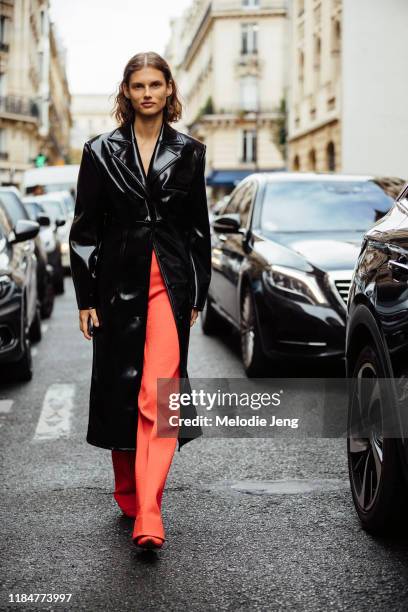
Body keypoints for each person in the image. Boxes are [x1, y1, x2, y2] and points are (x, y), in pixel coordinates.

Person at [69, 52, 211, 551]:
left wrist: (196, 289)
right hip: (116, 282)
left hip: (168, 283)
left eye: (156, 84)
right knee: (122, 388)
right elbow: (84, 229)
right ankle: (129, 487)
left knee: (160, 394)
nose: (147, 93)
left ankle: (150, 507)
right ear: (126, 93)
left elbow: (197, 229)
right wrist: (85, 296)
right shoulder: (100, 151)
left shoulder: (190, 151)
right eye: (138, 85)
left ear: (170, 89)